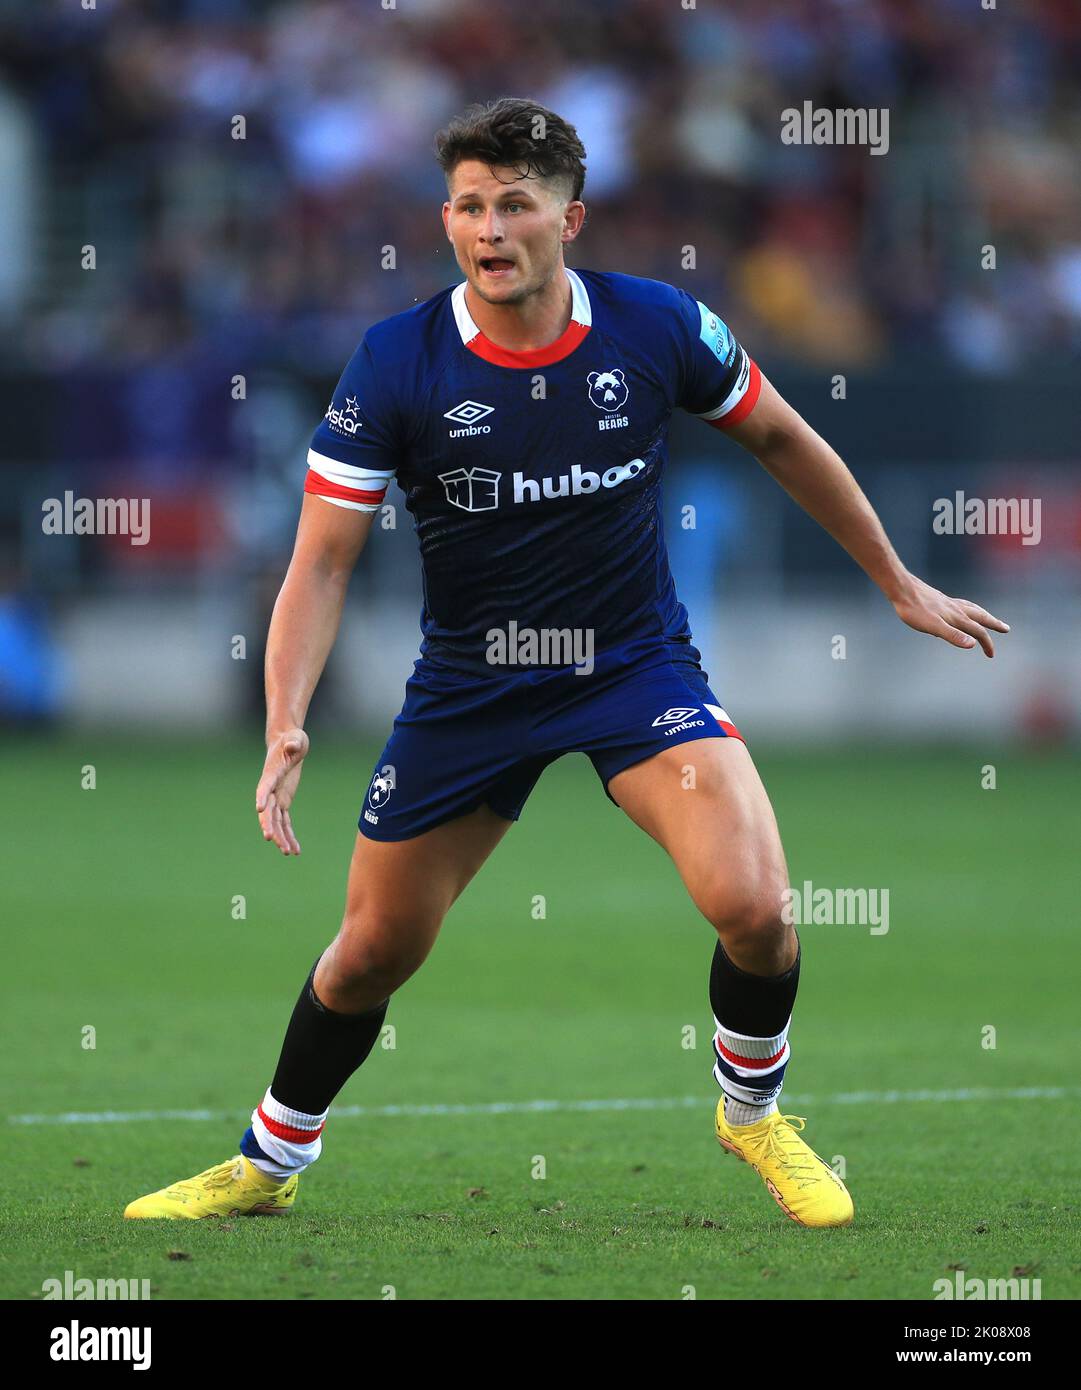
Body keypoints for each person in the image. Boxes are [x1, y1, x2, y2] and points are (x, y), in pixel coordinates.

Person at [125, 98, 1007, 1228]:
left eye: (515, 204)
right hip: (470, 689)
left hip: (634, 671)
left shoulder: (659, 327)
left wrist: (896, 581)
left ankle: (754, 1117)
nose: (489, 227)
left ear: (569, 218)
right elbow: (322, 562)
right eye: (468, 205)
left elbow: (785, 436)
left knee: (757, 906)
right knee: (364, 958)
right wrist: (286, 715)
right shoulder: (396, 360)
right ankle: (264, 1165)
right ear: (446, 220)